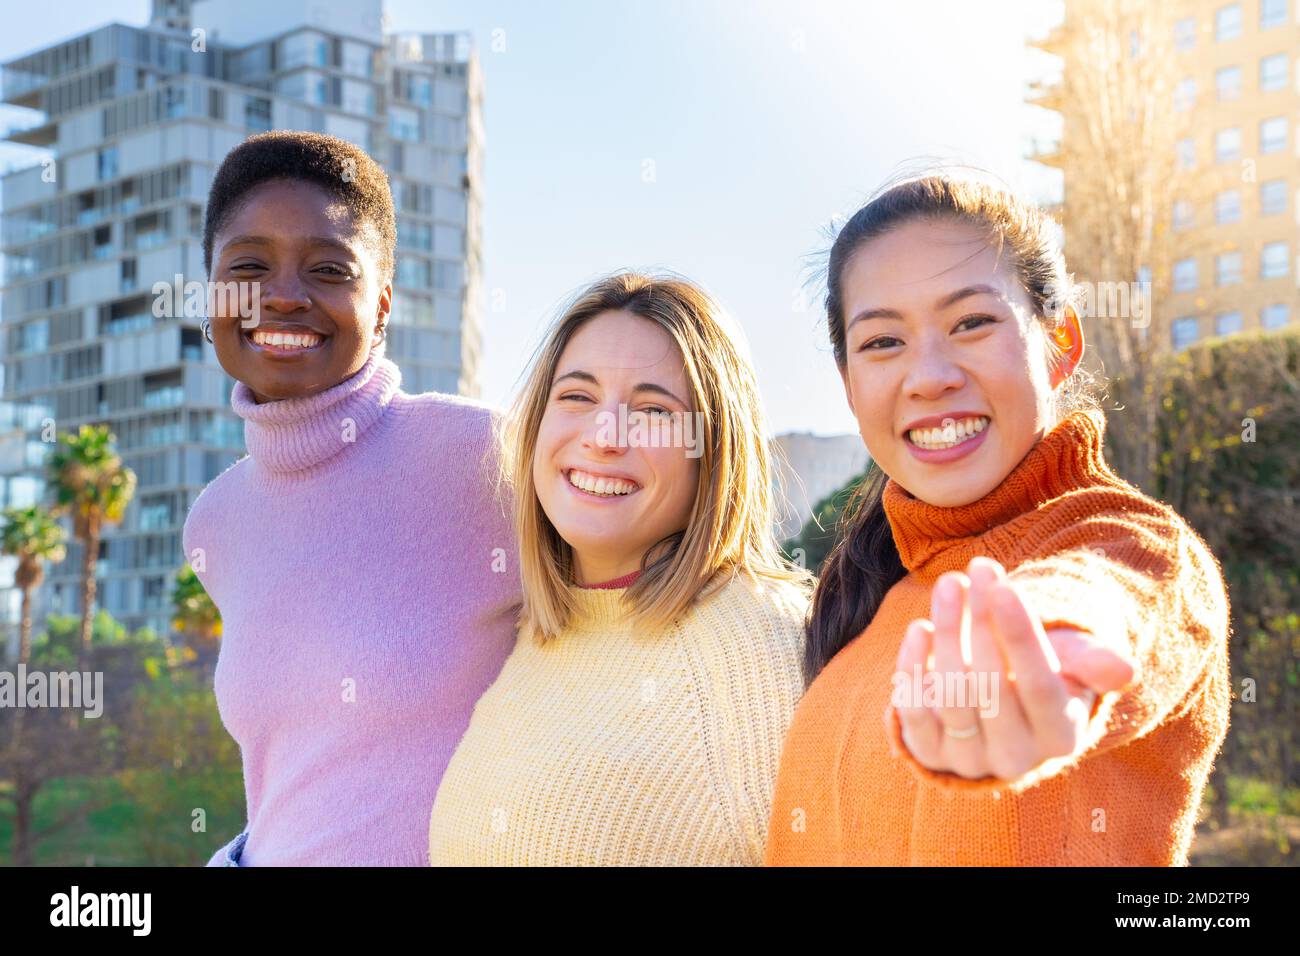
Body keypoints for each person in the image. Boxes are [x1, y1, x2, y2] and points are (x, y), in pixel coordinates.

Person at [765, 174, 1231, 866]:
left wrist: (1046, 651)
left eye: (972, 323)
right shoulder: (861, 597)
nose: (928, 376)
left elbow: (1102, 597)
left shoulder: (1140, 549)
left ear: (1061, 339)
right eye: (882, 342)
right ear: (849, 385)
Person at [183, 130, 520, 866]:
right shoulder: (216, 520)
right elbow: (301, 776)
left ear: (383, 301)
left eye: (329, 269)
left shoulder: (492, 459)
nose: (283, 296)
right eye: (248, 266)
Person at [428, 272, 811, 865]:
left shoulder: (767, 651)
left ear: (714, 449)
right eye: (577, 397)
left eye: (654, 410)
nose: (604, 437)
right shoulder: (533, 634)